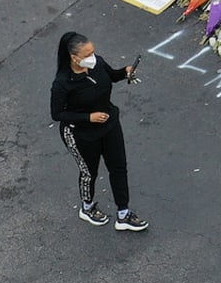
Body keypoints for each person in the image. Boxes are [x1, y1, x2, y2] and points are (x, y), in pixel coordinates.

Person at [49, 31, 148, 231]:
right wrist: (88, 117)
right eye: (87, 55)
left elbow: (112, 76)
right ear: (74, 58)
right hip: (80, 134)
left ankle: (123, 213)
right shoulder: (62, 83)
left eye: (93, 52)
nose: (92, 57)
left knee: (118, 167)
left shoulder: (98, 64)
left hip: (109, 125)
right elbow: (57, 114)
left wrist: (125, 72)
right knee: (89, 172)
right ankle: (87, 207)